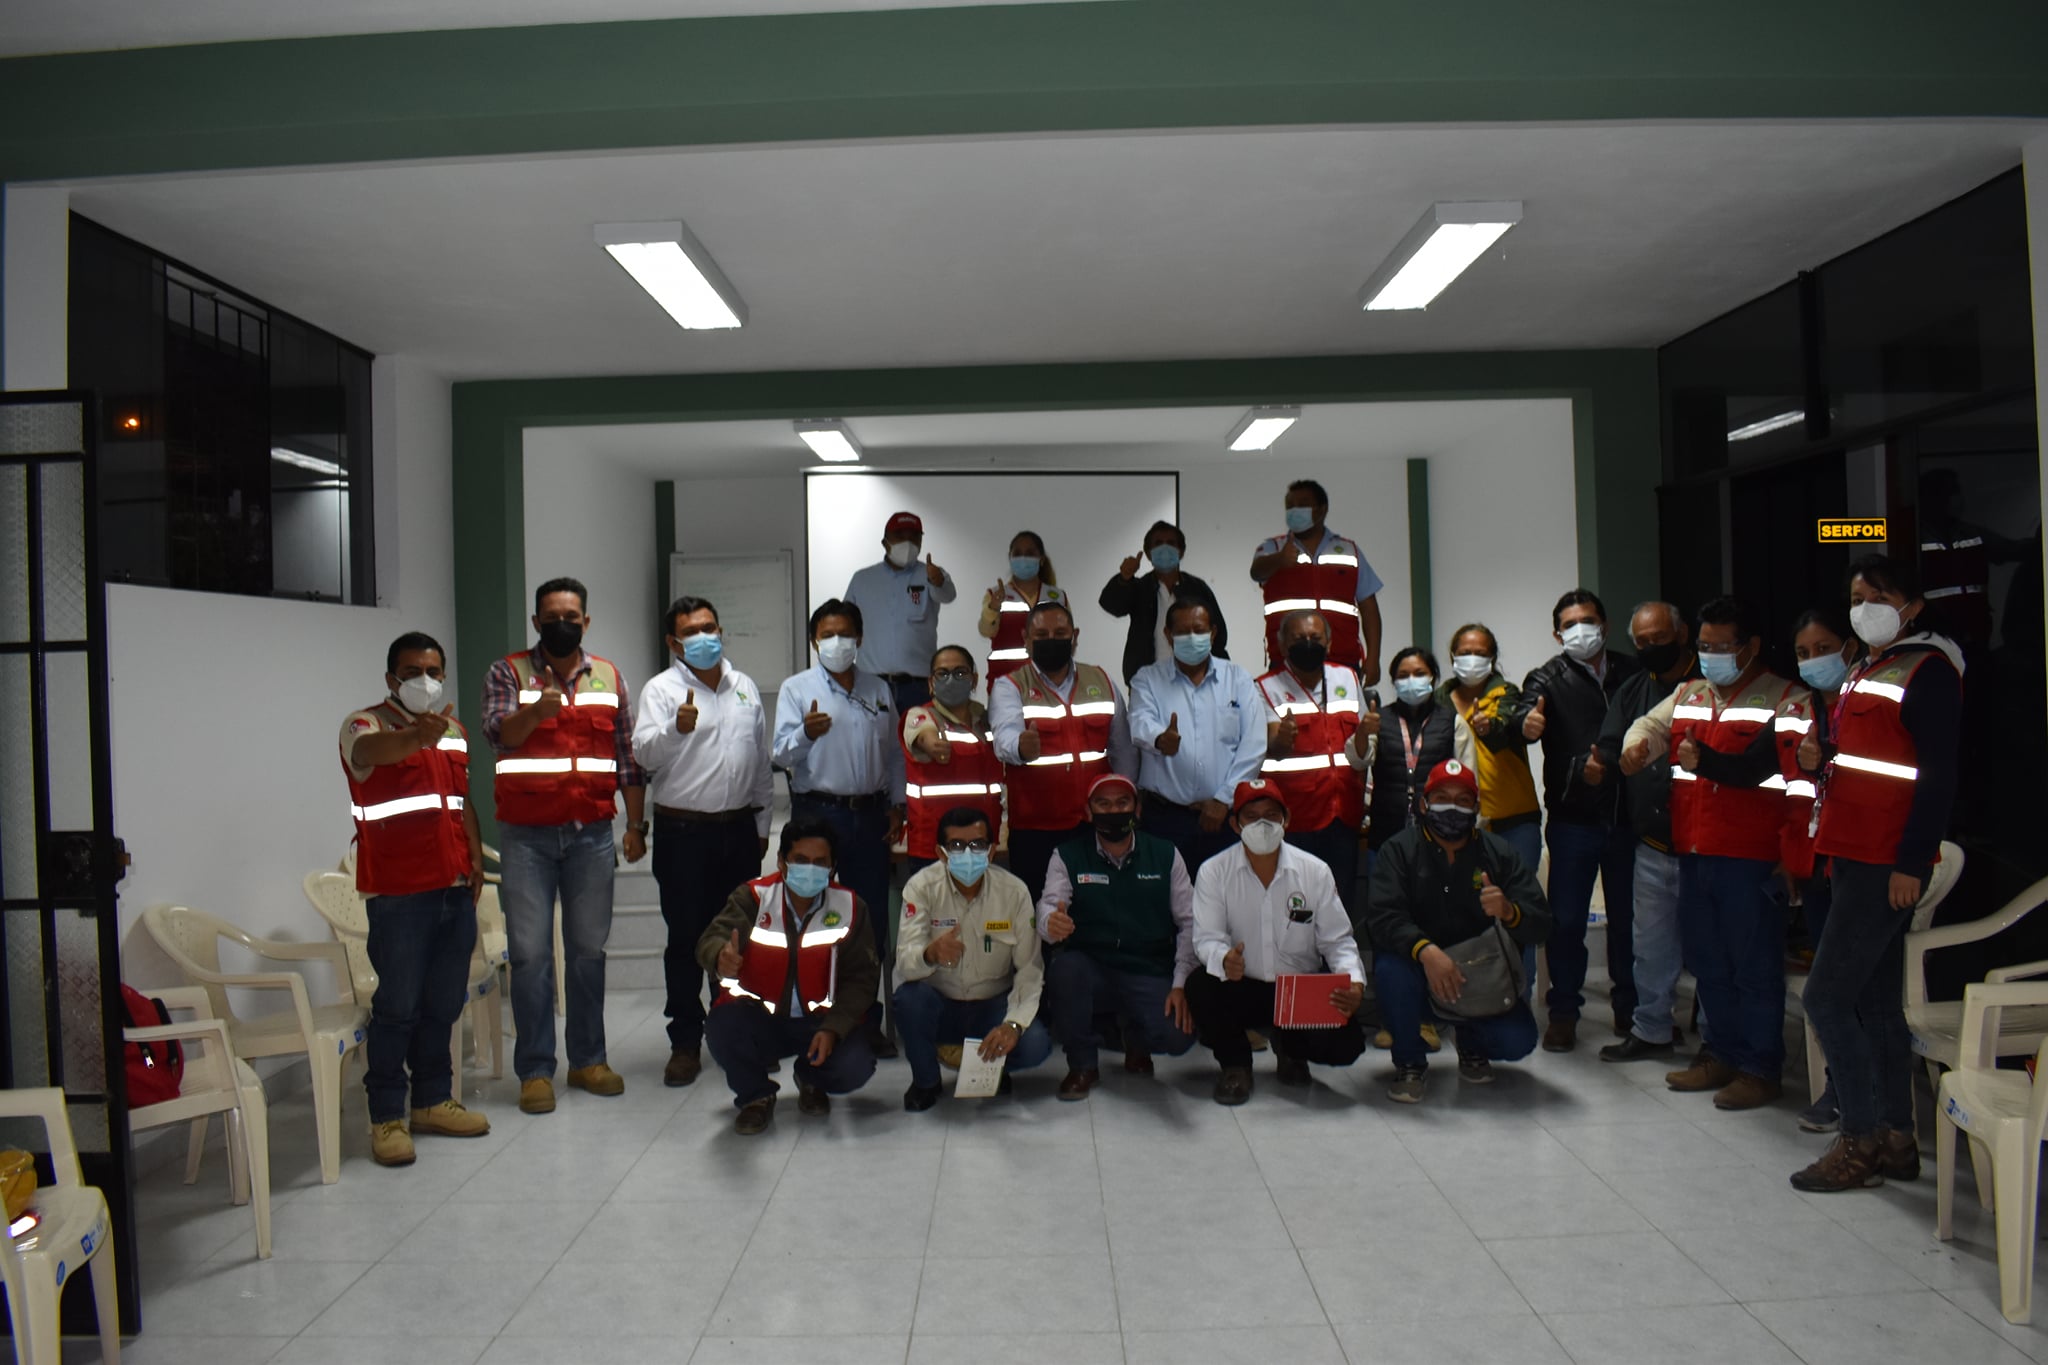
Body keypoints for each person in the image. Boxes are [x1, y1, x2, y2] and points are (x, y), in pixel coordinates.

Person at [1790, 555, 1961, 1192]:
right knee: (1877, 1003)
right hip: (1850, 851)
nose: (1864, 609)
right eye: (1857, 598)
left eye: (1878, 597)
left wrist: (1911, 863)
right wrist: (1823, 758)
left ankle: (1857, 1140)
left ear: (1911, 606)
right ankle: (1896, 1137)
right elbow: (1876, 760)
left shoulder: (1928, 669)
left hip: (1884, 862)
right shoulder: (1867, 666)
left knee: (1825, 998)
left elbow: (1937, 776)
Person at [1621, 597, 1809, 1110]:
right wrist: (1638, 747)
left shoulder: (1786, 699)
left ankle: (1760, 1068)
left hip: (1751, 858)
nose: (1710, 656)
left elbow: (1800, 787)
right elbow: (1650, 727)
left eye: (1721, 647)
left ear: (1750, 647)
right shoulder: (1690, 692)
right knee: (1708, 963)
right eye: (1704, 646)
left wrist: (1792, 854)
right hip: (1693, 852)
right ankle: (1720, 1054)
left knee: (1754, 968)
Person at [484, 577, 647, 1114]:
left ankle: (588, 1060)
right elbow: (499, 734)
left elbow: (627, 758)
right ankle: (535, 1070)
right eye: (552, 617)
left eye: (571, 617)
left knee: (587, 953)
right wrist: (537, 711)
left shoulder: (609, 676)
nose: (562, 624)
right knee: (530, 956)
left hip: (591, 834)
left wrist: (636, 824)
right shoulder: (508, 672)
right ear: (536, 622)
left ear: (586, 621)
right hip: (526, 836)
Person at [340, 631, 490, 1166]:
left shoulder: (454, 731)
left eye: (432, 671)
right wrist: (414, 738)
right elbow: (369, 754)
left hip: (454, 888)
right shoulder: (366, 725)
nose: (423, 681)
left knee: (443, 1004)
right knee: (397, 1006)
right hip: (399, 894)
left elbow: (459, 799)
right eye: (410, 672)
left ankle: (431, 1100)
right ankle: (386, 1116)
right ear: (391, 678)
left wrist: (475, 857)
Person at [632, 595, 772, 1088]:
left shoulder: (744, 687)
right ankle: (685, 1042)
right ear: (674, 643)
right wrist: (676, 729)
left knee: (740, 937)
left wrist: (761, 829)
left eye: (709, 627)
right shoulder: (661, 690)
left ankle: (736, 1031)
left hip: (738, 829)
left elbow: (759, 764)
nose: (704, 637)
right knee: (687, 939)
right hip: (683, 834)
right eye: (691, 631)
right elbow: (644, 755)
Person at [1365, 760, 1551, 1104]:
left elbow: (1541, 922)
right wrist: (1426, 951)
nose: (1452, 808)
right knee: (1390, 969)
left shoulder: (1499, 853)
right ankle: (1409, 1063)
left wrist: (1509, 912)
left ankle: (1471, 1043)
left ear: (1476, 808)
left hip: (1478, 978)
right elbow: (1382, 917)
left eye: (1463, 800)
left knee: (1518, 1042)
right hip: (1419, 974)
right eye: (1442, 798)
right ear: (1424, 805)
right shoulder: (1399, 850)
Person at [1505, 589, 1640, 1054]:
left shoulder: (1632, 672)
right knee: (1565, 923)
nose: (1580, 630)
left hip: (1627, 817)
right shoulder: (1547, 677)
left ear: (1604, 624)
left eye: (1588, 620)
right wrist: (1526, 725)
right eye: (1570, 624)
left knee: (1629, 921)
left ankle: (1630, 1009)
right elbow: (1523, 714)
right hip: (1573, 819)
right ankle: (1563, 1012)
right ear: (1557, 633)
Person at [773, 598, 905, 1057]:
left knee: (867, 922)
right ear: (814, 641)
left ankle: (866, 1021)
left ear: (860, 638)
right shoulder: (797, 688)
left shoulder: (878, 689)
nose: (837, 642)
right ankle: (814, 1019)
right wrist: (805, 733)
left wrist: (898, 805)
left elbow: (894, 755)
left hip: (870, 816)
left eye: (845, 634)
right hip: (817, 815)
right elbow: (780, 754)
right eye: (827, 635)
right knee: (814, 917)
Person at [1186, 779, 1367, 1105]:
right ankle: (1235, 1065)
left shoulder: (1315, 871)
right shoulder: (1213, 871)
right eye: (1252, 816)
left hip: (1297, 991)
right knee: (1200, 985)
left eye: (1271, 815)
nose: (1263, 824)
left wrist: (1354, 981)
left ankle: (1291, 1049)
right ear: (1235, 824)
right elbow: (1206, 938)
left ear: (1287, 819)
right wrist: (1224, 958)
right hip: (1240, 985)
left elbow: (1338, 941)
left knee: (1347, 1045)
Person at [697, 819, 880, 1134]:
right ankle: (756, 1097)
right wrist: (719, 956)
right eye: (800, 860)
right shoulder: (754, 897)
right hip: (760, 1018)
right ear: (781, 861)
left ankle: (810, 1079)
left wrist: (834, 1029)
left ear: (833, 867)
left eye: (820, 862)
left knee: (857, 1065)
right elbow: (711, 938)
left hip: (819, 1022)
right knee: (722, 1028)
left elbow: (862, 979)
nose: (810, 869)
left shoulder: (850, 906)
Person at [1037, 774, 1197, 1099]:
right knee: (1064, 970)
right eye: (1103, 804)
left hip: (1148, 967)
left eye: (1122, 803)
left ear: (1137, 810)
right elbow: (1049, 904)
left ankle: (1136, 1038)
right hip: (1091, 966)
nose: (1114, 811)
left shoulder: (1165, 854)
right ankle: (1082, 1065)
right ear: (1089, 811)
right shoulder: (1067, 854)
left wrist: (1180, 984)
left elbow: (1190, 922)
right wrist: (1050, 923)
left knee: (1178, 1037)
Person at [1593, 602, 1701, 1065]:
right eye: (1642, 642)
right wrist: (1601, 765)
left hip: (1704, 846)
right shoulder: (1635, 689)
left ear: (1683, 634)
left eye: (1659, 638)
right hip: (1653, 843)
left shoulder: (1708, 687)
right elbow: (1611, 746)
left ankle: (1718, 1045)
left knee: (1711, 950)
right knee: (1650, 949)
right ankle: (1652, 1029)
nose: (1651, 647)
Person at [893, 806, 1053, 1111]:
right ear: (941, 854)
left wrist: (1013, 1025)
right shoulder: (921, 887)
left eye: (977, 845)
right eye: (956, 845)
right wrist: (930, 954)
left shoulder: (1015, 892)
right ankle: (926, 1081)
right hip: (942, 1003)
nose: (968, 854)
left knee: (1035, 1044)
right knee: (909, 1000)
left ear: (991, 852)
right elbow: (905, 963)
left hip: (993, 1005)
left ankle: (993, 1065)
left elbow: (1030, 970)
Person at [989, 599, 1136, 901]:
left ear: (1074, 636)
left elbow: (1123, 750)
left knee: (1096, 907)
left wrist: (1128, 800)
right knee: (1038, 909)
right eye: (1041, 635)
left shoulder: (1102, 681)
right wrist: (1020, 746)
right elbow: (1004, 739)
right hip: (1035, 830)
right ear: (1026, 639)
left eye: (1060, 633)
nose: (1051, 641)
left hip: (1094, 825)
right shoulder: (1010, 686)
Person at [1784, 606, 1861, 1131]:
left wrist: (1827, 758)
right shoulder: (1797, 707)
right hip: (1813, 863)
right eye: (1803, 653)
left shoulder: (1866, 701)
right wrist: (1791, 859)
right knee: (1827, 982)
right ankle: (1840, 1084)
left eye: (1823, 649)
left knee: (1847, 987)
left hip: (1857, 862)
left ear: (1848, 648)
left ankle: (1856, 1095)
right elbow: (1788, 790)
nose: (1813, 660)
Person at [1128, 598, 1268, 875]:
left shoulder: (1238, 679)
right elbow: (1139, 722)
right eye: (1182, 632)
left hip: (1224, 817)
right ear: (1168, 635)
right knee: (1166, 896)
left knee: (1226, 895)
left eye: (1199, 630)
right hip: (1165, 820)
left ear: (1213, 633)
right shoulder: (1147, 679)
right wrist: (1159, 738)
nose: (1192, 638)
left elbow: (1254, 745)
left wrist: (1224, 799)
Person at [1256, 609, 1366, 919]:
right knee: (1297, 911)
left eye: (1315, 637)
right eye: (1298, 638)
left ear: (1329, 643)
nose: (1308, 643)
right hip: (1295, 821)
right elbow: (1268, 746)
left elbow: (1363, 743)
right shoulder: (1264, 687)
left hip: (1343, 815)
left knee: (1340, 909)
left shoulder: (1348, 678)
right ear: (1282, 644)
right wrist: (1280, 740)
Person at [1248, 479, 1386, 683]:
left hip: (1342, 660)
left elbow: (1369, 608)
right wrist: (1280, 559)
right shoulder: (1273, 548)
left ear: (1322, 509)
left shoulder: (1349, 551)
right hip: (1287, 661)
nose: (1294, 510)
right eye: (1290, 506)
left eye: (1302, 505)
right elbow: (1256, 572)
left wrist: (1373, 659)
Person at [1361, 648, 1472, 870]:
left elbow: (1470, 779)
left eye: (1419, 673)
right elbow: (1359, 760)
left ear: (1433, 677)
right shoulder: (1377, 720)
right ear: (1394, 682)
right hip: (1385, 833)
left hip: (1439, 834)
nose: (1411, 680)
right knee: (1385, 891)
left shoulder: (1452, 721)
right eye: (1403, 675)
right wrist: (1362, 732)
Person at [1442, 624, 1541, 871]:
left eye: (1480, 653)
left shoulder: (1507, 694)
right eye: (1465, 653)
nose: (1472, 659)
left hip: (1514, 821)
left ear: (1492, 658)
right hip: (1458, 820)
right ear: (1453, 656)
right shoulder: (1439, 701)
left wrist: (1488, 728)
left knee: (1518, 891)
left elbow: (1509, 731)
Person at [899, 645, 1004, 876]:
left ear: (974, 680)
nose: (951, 679)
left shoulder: (986, 720)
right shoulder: (921, 715)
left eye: (960, 672)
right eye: (942, 673)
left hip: (981, 844)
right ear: (931, 682)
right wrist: (932, 744)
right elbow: (923, 735)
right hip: (935, 848)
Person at [843, 510, 958, 716]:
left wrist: (938, 580)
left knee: (920, 736)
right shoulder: (862, 579)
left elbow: (948, 595)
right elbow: (845, 623)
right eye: (900, 536)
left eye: (914, 537)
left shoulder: (931, 574)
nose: (908, 542)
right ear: (885, 542)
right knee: (872, 737)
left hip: (919, 686)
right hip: (872, 685)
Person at [1099, 519, 1232, 684]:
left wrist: (1222, 677)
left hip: (1194, 680)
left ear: (1181, 551)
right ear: (1148, 553)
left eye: (1171, 543)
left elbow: (1218, 635)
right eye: (1158, 543)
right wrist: (1124, 578)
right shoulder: (1139, 587)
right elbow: (1111, 605)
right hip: (1148, 682)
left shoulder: (1197, 588)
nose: (1165, 548)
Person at [980, 530, 1067, 683]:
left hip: (1048, 681)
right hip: (1005, 680)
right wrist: (993, 608)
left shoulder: (1057, 596)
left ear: (1041, 559)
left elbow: (1066, 638)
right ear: (1010, 558)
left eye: (1030, 553)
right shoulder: (995, 594)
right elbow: (985, 631)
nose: (1024, 558)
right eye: (1018, 553)